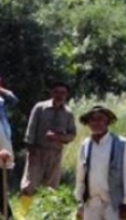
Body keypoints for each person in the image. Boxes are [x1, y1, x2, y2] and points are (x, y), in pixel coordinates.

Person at [20, 82, 77, 212]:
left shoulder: (68, 113)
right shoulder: (40, 107)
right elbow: (30, 130)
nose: (60, 95)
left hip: (55, 153)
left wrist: (59, 137)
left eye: (63, 93)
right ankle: (24, 214)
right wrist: (31, 150)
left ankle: (45, 214)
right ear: (52, 93)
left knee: (51, 187)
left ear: (67, 95)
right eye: (57, 92)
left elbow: (72, 134)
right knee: (29, 185)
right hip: (37, 152)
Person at [74, 105, 126, 220]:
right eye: (93, 119)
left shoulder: (122, 144)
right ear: (88, 123)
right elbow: (80, 174)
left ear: (107, 121)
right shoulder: (86, 145)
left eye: (100, 119)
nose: (96, 123)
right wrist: (79, 200)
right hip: (91, 203)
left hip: (114, 204)